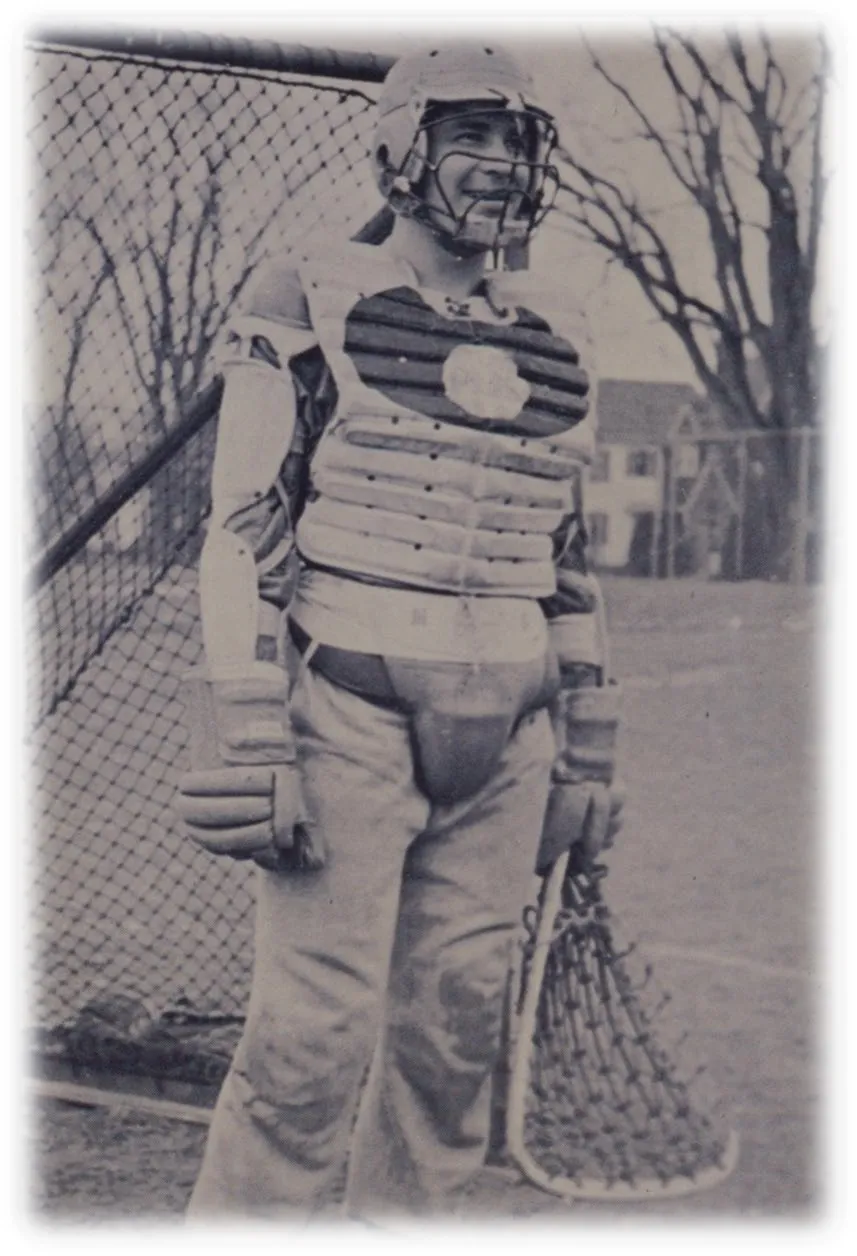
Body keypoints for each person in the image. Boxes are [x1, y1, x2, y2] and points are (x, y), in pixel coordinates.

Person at [177, 41, 623, 1220]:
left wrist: (589, 747)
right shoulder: (305, 289)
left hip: (513, 732)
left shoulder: (561, 320)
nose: (497, 167)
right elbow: (238, 522)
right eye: (469, 137)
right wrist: (246, 720)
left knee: (450, 1046)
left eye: (516, 143)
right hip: (348, 711)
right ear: (400, 147)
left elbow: (563, 553)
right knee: (305, 1047)